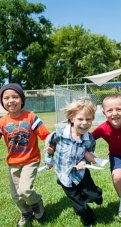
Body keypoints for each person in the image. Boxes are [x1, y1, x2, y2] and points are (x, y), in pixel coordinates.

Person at [44, 98, 103, 227]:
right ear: (71, 118)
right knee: (80, 207)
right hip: (64, 175)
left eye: (89, 119)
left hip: (81, 173)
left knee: (95, 197)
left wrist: (86, 160)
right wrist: (48, 160)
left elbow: (89, 153)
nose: (85, 123)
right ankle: (89, 220)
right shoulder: (59, 134)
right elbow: (49, 146)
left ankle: (95, 194)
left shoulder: (90, 139)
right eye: (80, 119)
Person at [0, 83, 50, 227]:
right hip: (13, 163)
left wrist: (50, 146)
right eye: (6, 98)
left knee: (25, 190)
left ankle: (37, 202)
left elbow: (45, 135)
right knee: (16, 195)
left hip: (30, 160)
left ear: (21, 100)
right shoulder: (2, 121)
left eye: (15, 97)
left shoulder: (30, 117)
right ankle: (26, 212)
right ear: (2, 102)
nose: (11, 100)